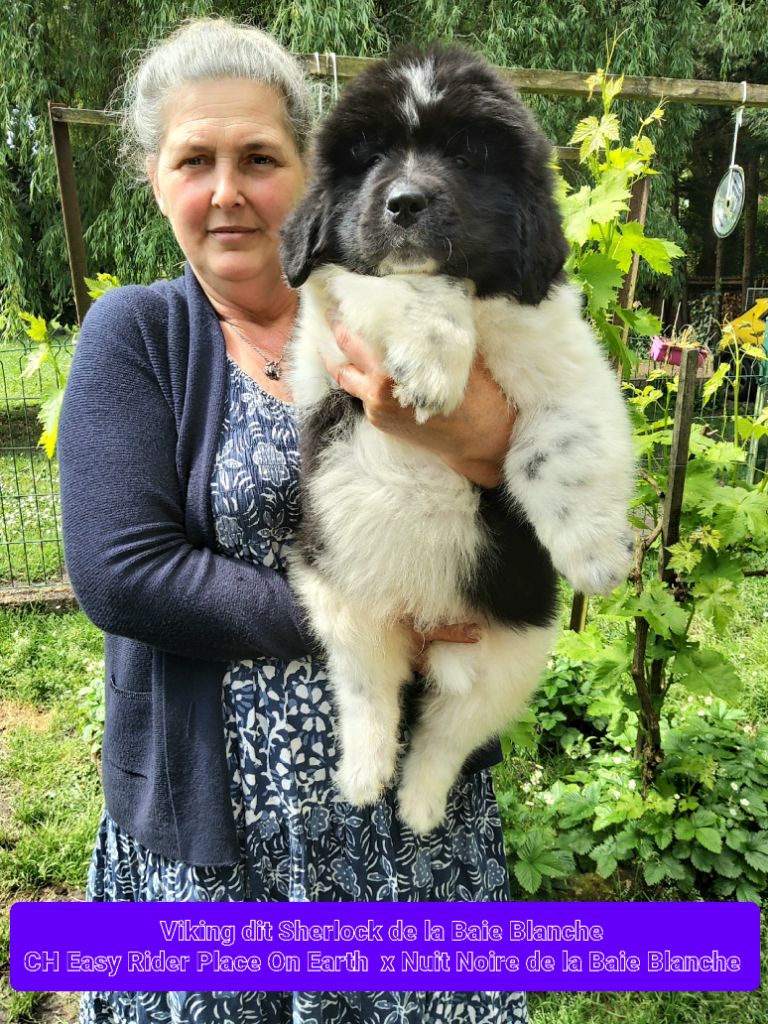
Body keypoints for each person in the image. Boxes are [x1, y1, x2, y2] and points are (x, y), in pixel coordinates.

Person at [58, 17, 528, 1024]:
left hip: (413, 834)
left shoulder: (403, 314)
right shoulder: (138, 335)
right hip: (224, 845)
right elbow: (125, 571)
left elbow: (518, 493)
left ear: (311, 170)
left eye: (259, 158)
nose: (227, 191)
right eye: (195, 160)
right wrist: (382, 629)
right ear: (155, 179)